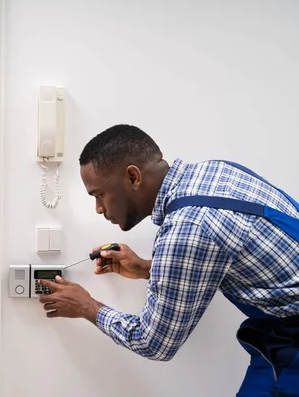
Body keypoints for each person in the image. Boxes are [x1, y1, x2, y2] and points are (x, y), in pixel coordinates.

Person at [38, 124, 299, 396]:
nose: (99, 208)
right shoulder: (215, 172)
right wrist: (147, 269)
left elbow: (154, 343)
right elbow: (230, 254)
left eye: (99, 194)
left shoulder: (187, 228)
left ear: (133, 177)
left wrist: (87, 306)